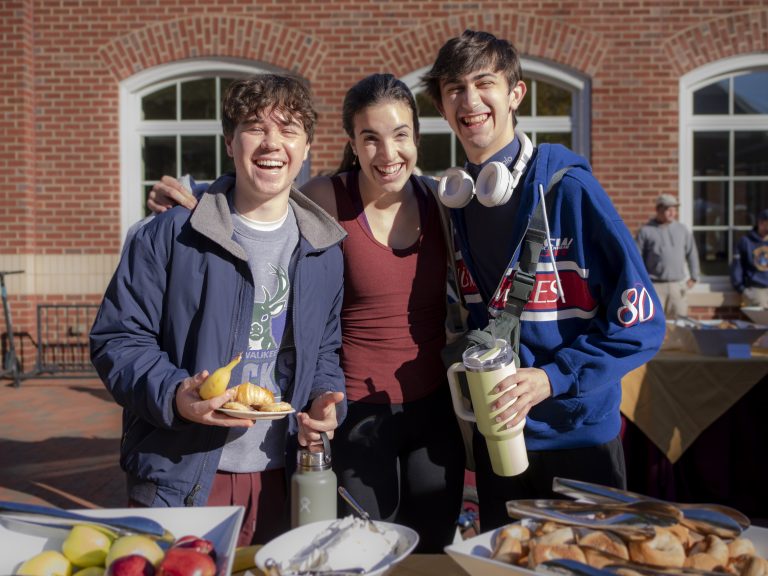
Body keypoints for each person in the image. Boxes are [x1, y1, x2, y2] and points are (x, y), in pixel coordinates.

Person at [144, 74, 465, 552]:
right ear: (352, 143)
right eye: (370, 138)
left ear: (417, 137)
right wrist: (191, 199)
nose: (387, 152)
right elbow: (261, 190)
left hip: (433, 410)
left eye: (400, 135)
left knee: (435, 548)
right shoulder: (328, 197)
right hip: (351, 410)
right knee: (365, 548)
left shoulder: (441, 202)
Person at [421, 29, 666, 531]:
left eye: (483, 83)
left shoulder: (571, 191)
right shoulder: (459, 204)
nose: (469, 101)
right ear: (443, 108)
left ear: (515, 94)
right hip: (500, 444)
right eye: (454, 89)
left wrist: (551, 379)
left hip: (579, 442)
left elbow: (643, 327)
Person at [89, 74, 346, 547]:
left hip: (281, 475)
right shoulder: (170, 234)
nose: (272, 143)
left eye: (288, 129)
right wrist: (174, 394)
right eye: (254, 126)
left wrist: (327, 395)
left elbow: (326, 345)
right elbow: (118, 339)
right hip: (182, 473)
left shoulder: (324, 250)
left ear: (307, 146)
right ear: (230, 141)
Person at [635, 193, 700, 318]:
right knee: (654, 321)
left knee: (680, 324)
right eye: (668, 209)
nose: (672, 212)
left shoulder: (682, 230)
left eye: (674, 209)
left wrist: (694, 277)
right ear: (658, 209)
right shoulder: (646, 231)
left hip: (678, 285)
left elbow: (692, 253)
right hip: (654, 285)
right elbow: (637, 259)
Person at [731, 208, 768, 307]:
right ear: (760, 222)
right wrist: (741, 289)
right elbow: (737, 267)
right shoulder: (746, 241)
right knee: (763, 319)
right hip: (756, 288)